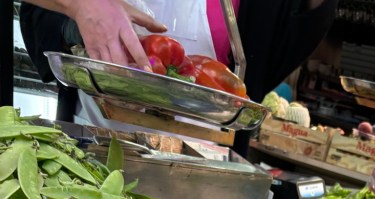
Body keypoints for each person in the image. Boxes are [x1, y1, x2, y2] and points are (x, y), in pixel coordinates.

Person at [19, 0, 338, 124]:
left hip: (202, 160)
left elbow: (290, 37)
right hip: (93, 133)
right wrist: (78, 15)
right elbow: (40, 14)